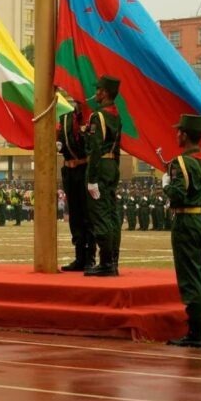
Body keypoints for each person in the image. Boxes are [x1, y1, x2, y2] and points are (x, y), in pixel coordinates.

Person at [163, 114, 201, 348]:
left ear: (185, 135)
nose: (176, 134)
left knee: (190, 278)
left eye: (179, 131)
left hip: (186, 221)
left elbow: (177, 194)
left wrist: (167, 186)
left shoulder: (180, 162)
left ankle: (195, 334)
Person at [84, 75, 122, 277]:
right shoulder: (116, 115)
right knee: (112, 215)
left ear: (105, 93)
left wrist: (91, 179)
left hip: (100, 167)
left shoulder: (97, 116)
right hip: (111, 165)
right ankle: (113, 260)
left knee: (100, 215)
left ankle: (106, 262)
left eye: (98, 89)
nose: (96, 93)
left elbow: (95, 148)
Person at [58, 100, 96, 272]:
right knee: (74, 215)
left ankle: (90, 258)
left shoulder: (92, 118)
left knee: (88, 215)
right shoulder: (65, 119)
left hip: (85, 169)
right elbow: (60, 138)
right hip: (69, 171)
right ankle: (79, 257)